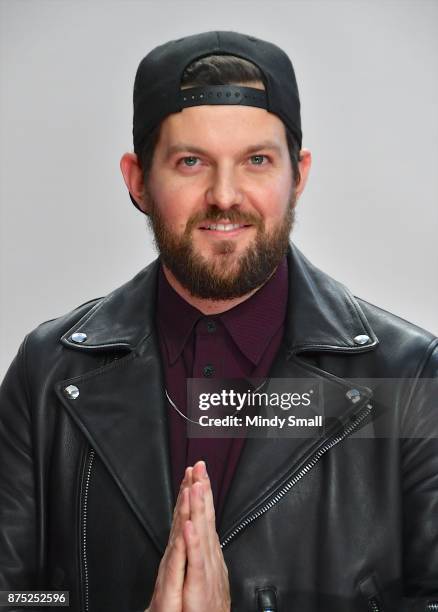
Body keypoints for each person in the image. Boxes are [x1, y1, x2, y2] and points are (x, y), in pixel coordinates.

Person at [0, 30, 437, 612]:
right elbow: (20, 598)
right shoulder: (48, 372)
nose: (225, 195)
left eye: (257, 160)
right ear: (137, 181)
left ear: (298, 175)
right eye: (190, 162)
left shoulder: (409, 379)